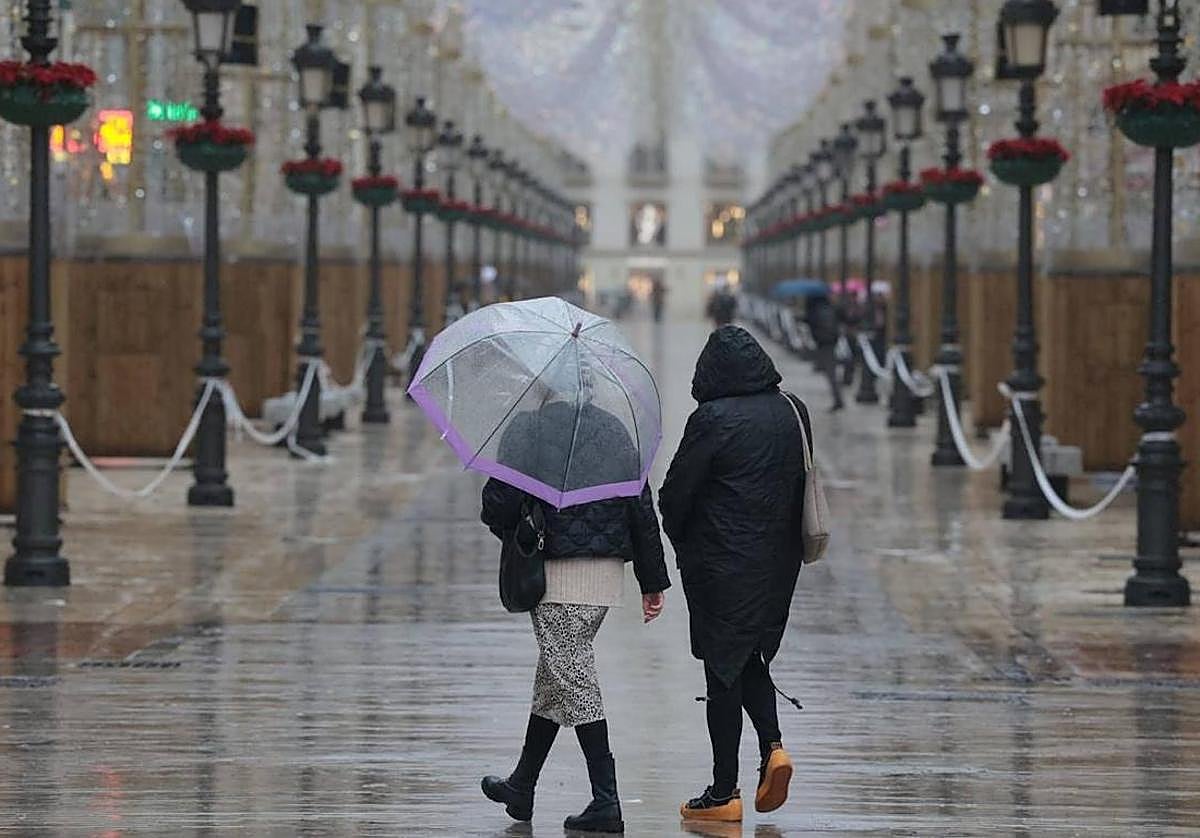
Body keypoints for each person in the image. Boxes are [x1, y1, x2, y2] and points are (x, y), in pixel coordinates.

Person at [480, 401, 671, 835]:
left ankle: (607, 800)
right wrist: (650, 579)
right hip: (604, 577)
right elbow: (640, 505)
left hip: (556, 575)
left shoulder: (528, 430)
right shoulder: (616, 431)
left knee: (574, 678)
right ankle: (522, 786)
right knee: (555, 678)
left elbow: (497, 506)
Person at [659, 326, 812, 824]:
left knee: (723, 669)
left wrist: (683, 542)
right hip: (777, 564)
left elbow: (674, 496)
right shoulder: (793, 412)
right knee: (748, 655)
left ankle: (724, 792)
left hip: (722, 564)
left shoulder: (713, 419)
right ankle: (773, 748)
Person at [806, 294, 845, 412]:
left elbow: (813, 324)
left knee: (831, 373)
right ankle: (838, 398)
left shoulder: (815, 311)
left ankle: (838, 400)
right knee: (830, 371)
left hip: (823, 343)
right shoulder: (829, 309)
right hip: (831, 342)